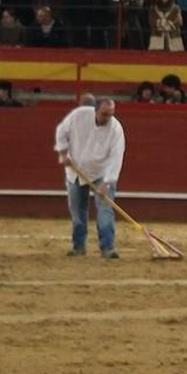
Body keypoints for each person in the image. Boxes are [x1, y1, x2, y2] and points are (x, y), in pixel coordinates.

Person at [54, 95, 125, 260]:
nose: (108, 118)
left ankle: (107, 248)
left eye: (111, 114)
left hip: (102, 173)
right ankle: (79, 247)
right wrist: (63, 153)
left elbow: (116, 157)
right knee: (78, 211)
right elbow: (61, 132)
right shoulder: (78, 116)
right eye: (105, 114)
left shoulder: (115, 128)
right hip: (76, 171)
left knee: (105, 209)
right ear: (95, 110)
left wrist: (107, 182)